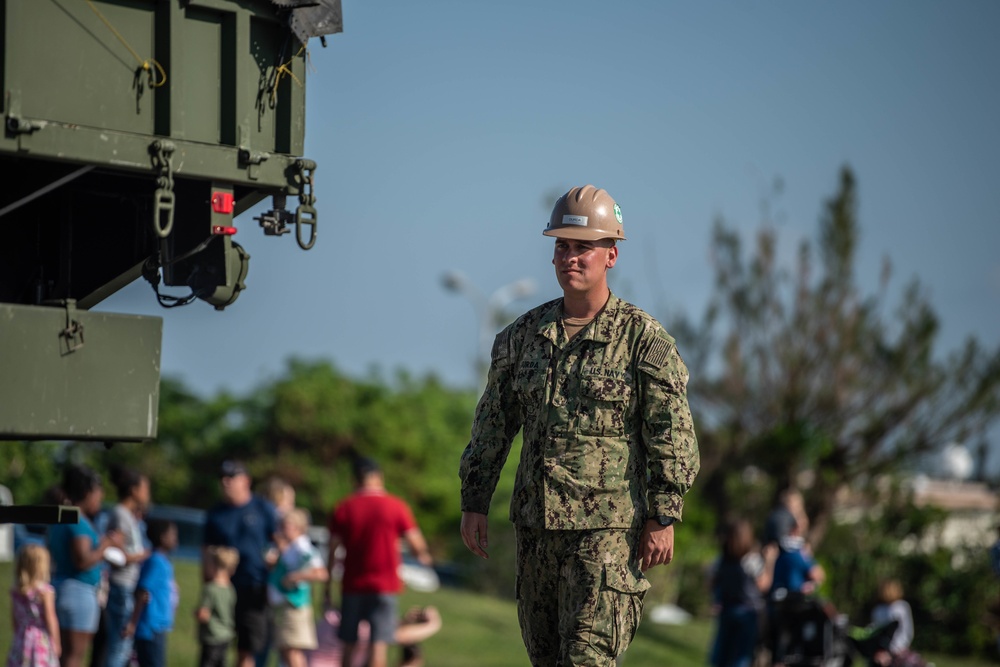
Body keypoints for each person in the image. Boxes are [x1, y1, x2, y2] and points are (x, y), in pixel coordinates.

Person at [458, 184, 700, 666]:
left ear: (610, 254)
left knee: (587, 661)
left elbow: (671, 435)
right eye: (562, 246)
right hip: (535, 532)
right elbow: (492, 427)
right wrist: (475, 501)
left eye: (583, 247)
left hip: (606, 535)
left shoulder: (643, 340)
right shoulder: (521, 338)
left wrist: (663, 514)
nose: (571, 257)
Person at [326, 457, 433, 667]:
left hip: (353, 584)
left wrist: (328, 586)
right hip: (385, 585)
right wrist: (423, 555)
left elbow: (332, 549)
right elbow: (416, 544)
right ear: (378, 477)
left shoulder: (345, 507)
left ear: (355, 480)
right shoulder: (396, 506)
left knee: (349, 642)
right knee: (379, 643)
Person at [202, 460, 279, 667]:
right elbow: (206, 551)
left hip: (254, 587)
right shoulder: (216, 513)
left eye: (231, 477)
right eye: (222, 478)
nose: (225, 482)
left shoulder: (263, 508)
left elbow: (278, 542)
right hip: (223, 588)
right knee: (215, 645)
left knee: (247, 648)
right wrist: (208, 585)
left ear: (246, 480)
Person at [47, 465, 124, 667]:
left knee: (61, 656)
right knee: (74, 657)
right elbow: (82, 560)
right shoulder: (78, 521)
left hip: (60, 588)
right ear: (87, 493)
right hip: (79, 593)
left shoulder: (60, 518)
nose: (100, 497)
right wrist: (106, 544)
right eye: (97, 493)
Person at [708, 519, 776, 667]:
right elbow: (763, 585)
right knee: (741, 655)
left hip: (727, 608)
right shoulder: (751, 560)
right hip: (748, 612)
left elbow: (711, 581)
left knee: (723, 653)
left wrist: (716, 597)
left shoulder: (722, 560)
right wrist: (770, 562)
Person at [102, 467, 151, 667]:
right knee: (120, 644)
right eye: (145, 488)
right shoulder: (121, 515)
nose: (147, 494)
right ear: (133, 490)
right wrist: (143, 555)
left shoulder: (129, 515)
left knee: (123, 646)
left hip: (127, 586)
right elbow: (116, 553)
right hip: (122, 585)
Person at [268, 508, 328, 667]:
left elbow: (321, 573)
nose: (282, 529)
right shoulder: (291, 547)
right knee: (285, 648)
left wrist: (295, 577)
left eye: (286, 525)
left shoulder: (303, 547)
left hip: (295, 604)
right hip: (285, 604)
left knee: (292, 650)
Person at [768, 519, 825, 667]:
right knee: (792, 647)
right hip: (794, 604)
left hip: (775, 604)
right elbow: (818, 574)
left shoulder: (775, 550)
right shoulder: (796, 551)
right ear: (795, 530)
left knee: (778, 649)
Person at [310, 605, 442, 667]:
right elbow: (399, 635)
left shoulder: (333, 616)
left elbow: (378, 629)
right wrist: (434, 623)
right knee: (412, 659)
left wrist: (404, 621)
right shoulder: (358, 628)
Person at [123, 519, 178, 667]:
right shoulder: (156, 561)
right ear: (162, 537)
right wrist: (133, 623)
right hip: (150, 627)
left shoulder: (161, 560)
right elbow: (142, 592)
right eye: (172, 534)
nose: (175, 538)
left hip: (157, 627)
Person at [7, 543, 61, 667]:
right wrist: (56, 642)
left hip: (21, 639)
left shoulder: (16, 591)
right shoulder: (45, 592)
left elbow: (14, 619)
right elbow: (50, 618)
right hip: (40, 640)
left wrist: (19, 634)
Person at [196, 546, 240, 667]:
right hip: (226, 636)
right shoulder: (230, 589)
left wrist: (197, 613)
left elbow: (203, 615)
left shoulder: (210, 589)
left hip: (211, 636)